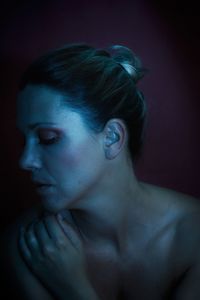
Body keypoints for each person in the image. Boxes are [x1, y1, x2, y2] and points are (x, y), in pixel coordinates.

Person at [1, 43, 200, 300]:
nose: (25, 161)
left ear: (112, 137)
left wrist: (73, 289)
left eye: (48, 138)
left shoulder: (193, 237)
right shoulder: (31, 246)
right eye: (24, 140)